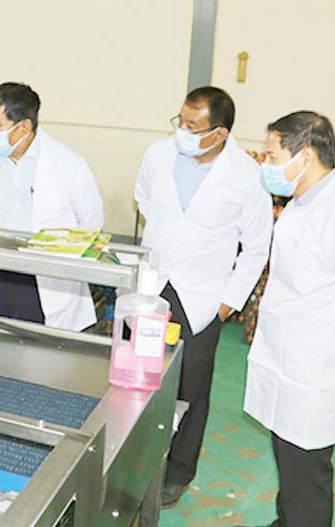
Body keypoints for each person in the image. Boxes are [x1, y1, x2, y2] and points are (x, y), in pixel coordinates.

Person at [236, 111, 335, 527]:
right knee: (290, 465)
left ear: (304, 156)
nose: (266, 164)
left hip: (312, 366)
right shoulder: (305, 202)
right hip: (287, 357)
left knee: (307, 474)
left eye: (272, 156)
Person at [134, 86, 273, 508]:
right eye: (180, 121)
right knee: (140, 377)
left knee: (191, 388)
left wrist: (228, 301)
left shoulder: (247, 175)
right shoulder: (159, 154)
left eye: (193, 126)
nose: (182, 131)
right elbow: (144, 198)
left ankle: (178, 471)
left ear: (220, 133)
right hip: (155, 283)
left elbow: (257, 246)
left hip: (203, 296)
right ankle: (137, 462)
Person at [0, 82, 104, 330]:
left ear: (24, 127)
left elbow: (91, 222)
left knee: (37, 347)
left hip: (41, 278)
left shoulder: (67, 163)